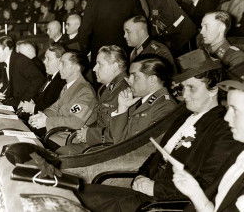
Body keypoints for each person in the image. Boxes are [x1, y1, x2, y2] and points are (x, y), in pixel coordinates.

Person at [77, 50, 237, 212]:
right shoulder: (182, 116)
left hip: (163, 203)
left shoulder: (223, 128)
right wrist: (141, 175)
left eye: (192, 88)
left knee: (82, 200)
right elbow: (156, 155)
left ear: (214, 89)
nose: (185, 95)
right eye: (183, 88)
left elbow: (206, 183)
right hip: (145, 192)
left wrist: (156, 189)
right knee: (76, 193)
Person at [172, 69, 244, 212]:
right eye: (228, 108)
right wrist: (196, 193)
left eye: (235, 110)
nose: (226, 117)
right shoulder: (239, 153)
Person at [56, 45, 130, 155]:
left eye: (99, 64)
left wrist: (88, 133)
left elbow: (117, 133)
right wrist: (87, 130)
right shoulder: (106, 89)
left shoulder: (124, 91)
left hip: (106, 149)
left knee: (61, 154)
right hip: (97, 142)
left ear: (114, 66)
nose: (94, 68)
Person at [28, 51, 97, 147]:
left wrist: (46, 121)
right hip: (57, 135)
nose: (59, 67)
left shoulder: (85, 92)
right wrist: (42, 116)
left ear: (76, 68)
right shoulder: (67, 87)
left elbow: (75, 122)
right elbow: (55, 108)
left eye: (63, 63)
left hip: (69, 140)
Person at [78, 0, 144, 66]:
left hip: (99, 53)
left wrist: (86, 50)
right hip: (123, 53)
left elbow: (84, 30)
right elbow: (141, 26)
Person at [0, 36, 45, 109]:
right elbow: (7, 85)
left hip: (25, 106)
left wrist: (24, 100)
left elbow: (39, 80)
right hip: (13, 102)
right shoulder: (5, 61)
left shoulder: (20, 61)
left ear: (6, 49)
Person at [18, 44, 66, 116]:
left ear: (60, 61)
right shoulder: (50, 77)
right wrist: (31, 101)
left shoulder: (61, 82)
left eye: (48, 59)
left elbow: (53, 109)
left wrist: (33, 108)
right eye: (45, 58)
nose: (44, 62)